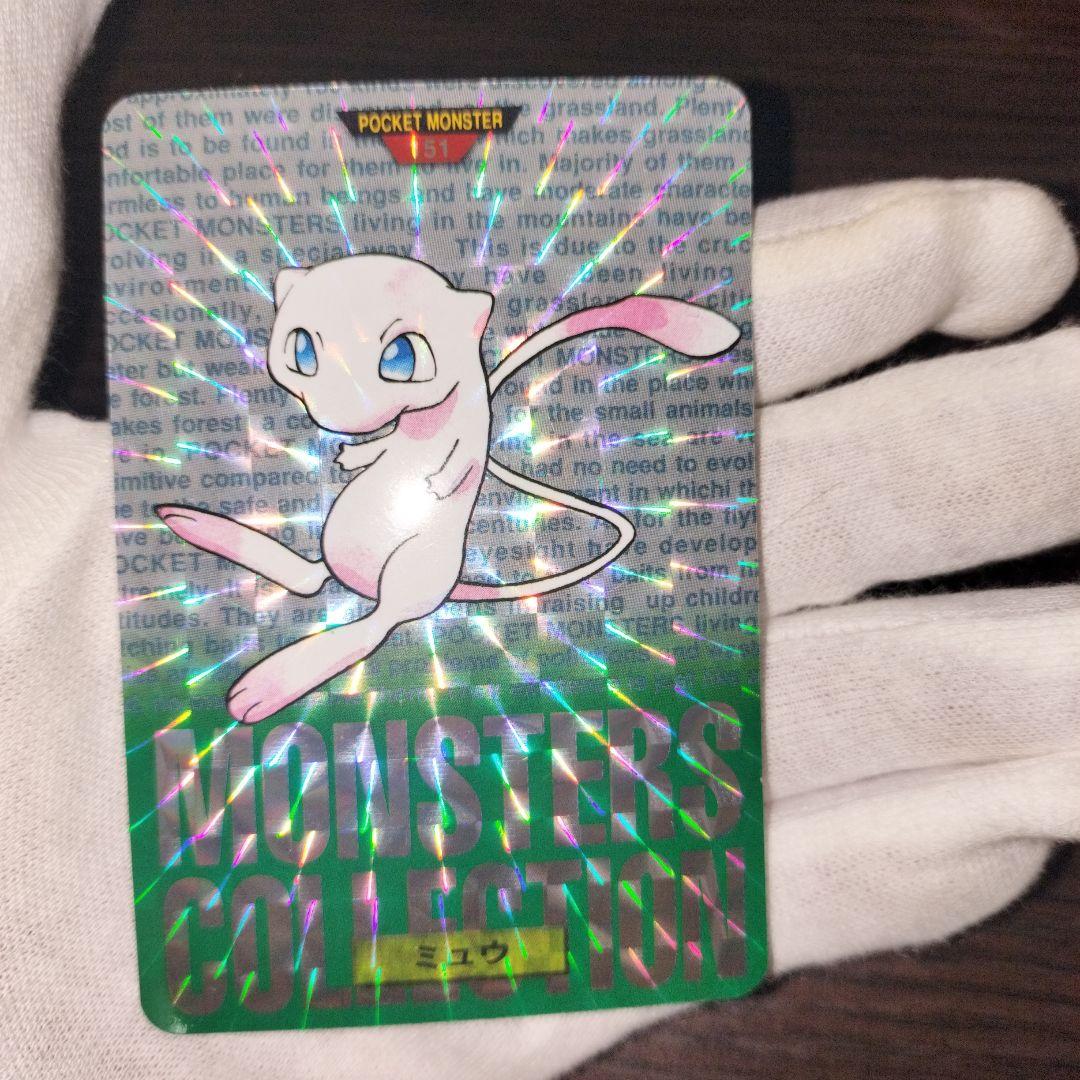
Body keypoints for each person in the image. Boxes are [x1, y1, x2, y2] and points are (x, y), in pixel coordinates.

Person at [1, 2, 1077, 1076]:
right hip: (332, 572)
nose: (329, 390)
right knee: (328, 560)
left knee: (382, 588)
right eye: (303, 358)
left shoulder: (464, 389)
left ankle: (346, 627)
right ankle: (304, 582)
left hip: (407, 575)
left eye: (388, 359)